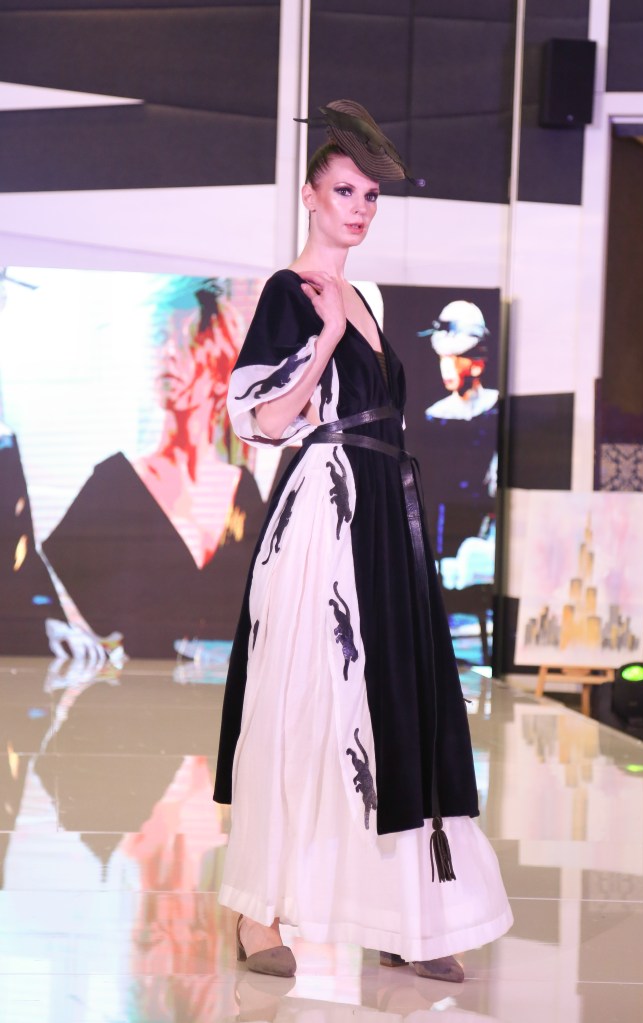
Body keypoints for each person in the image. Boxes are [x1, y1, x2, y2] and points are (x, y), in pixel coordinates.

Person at [213, 100, 512, 983]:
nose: (359, 207)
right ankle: (257, 912)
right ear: (310, 195)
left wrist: (352, 320)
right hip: (326, 515)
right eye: (344, 191)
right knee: (307, 700)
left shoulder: (366, 297)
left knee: (395, 702)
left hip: (386, 511)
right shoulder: (293, 292)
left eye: (371, 196)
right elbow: (264, 421)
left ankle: (403, 916)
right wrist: (329, 338)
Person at [43, 279, 265, 658]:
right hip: (136, 687)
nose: (168, 353)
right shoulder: (113, 483)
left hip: (224, 688)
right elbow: (56, 602)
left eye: (187, 340)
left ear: (220, 367)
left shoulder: (242, 490)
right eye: (160, 338)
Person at [422, 300, 499, 422]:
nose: (445, 368)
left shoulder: (495, 403)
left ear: (477, 364)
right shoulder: (436, 415)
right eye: (442, 358)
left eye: (454, 357)